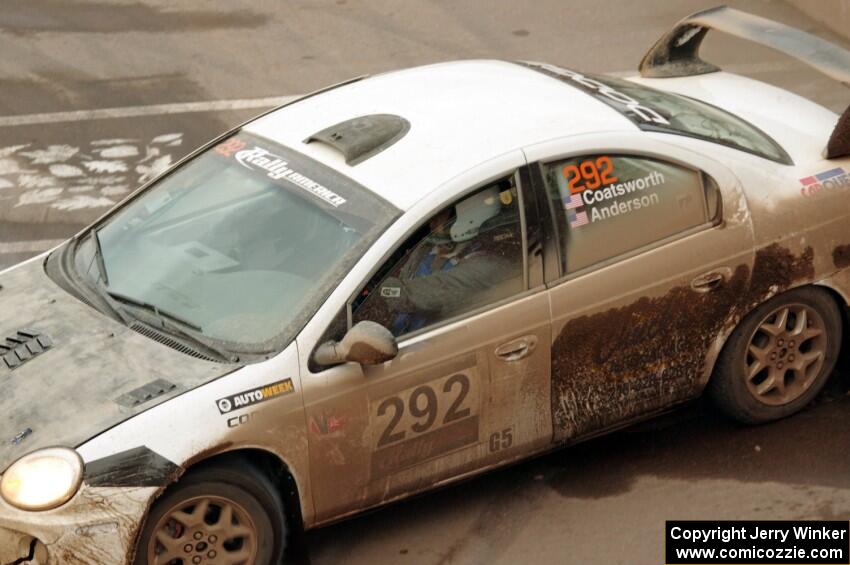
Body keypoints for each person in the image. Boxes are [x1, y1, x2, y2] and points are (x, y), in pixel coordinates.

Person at [378, 185, 519, 335]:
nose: (431, 222)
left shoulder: (487, 265)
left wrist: (381, 292)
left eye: (440, 215)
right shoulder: (428, 247)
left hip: (434, 346)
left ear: (467, 216)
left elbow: (432, 290)